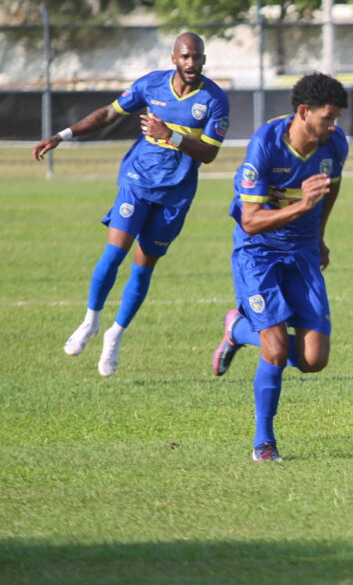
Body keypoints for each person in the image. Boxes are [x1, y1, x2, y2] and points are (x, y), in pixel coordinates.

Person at [31, 32, 229, 377]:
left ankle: (114, 335)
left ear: (203, 60)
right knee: (113, 254)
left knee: (143, 267)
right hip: (137, 183)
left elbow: (210, 154)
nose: (192, 64)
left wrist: (171, 135)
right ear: (174, 59)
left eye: (197, 57)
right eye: (185, 57)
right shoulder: (151, 85)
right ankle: (90, 321)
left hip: (175, 195)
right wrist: (61, 136)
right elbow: (108, 113)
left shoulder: (215, 100)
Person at [211, 72, 349, 462]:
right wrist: (301, 207)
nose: (333, 126)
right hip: (258, 252)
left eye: (336, 118)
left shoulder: (334, 144)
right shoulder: (265, 146)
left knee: (313, 360)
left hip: (302, 250)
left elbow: (332, 185)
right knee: (273, 349)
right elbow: (250, 220)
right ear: (304, 112)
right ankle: (264, 442)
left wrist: (318, 233)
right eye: (328, 118)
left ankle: (236, 329)